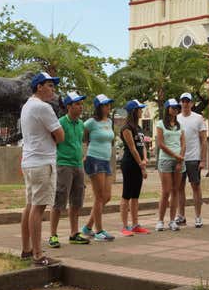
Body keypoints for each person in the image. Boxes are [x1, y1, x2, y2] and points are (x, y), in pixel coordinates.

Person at [20, 72, 65, 266]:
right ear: (39, 86)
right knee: (38, 208)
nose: (52, 90)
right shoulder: (43, 107)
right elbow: (60, 135)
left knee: (30, 205)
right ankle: (38, 254)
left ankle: (27, 249)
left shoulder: (27, 106)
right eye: (50, 86)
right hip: (42, 162)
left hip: (30, 162)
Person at [48, 91, 90, 249]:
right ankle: (53, 235)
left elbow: (79, 142)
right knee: (59, 200)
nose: (81, 107)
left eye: (81, 104)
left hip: (78, 165)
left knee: (76, 201)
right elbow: (54, 143)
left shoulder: (81, 124)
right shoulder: (60, 123)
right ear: (69, 106)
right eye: (77, 104)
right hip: (63, 165)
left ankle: (74, 233)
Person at [82, 93, 116, 241]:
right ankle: (99, 231)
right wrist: (83, 152)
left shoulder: (109, 121)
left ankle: (88, 227)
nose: (109, 107)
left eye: (109, 104)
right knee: (99, 196)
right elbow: (80, 134)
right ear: (99, 107)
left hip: (106, 160)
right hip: (94, 159)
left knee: (107, 196)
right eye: (106, 105)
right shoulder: (90, 122)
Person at [175, 92, 207, 228]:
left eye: (187, 101)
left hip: (194, 158)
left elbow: (203, 140)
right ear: (180, 103)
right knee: (179, 188)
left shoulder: (198, 118)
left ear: (192, 103)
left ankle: (198, 216)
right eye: (183, 101)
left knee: (195, 186)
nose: (185, 104)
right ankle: (181, 216)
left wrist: (203, 159)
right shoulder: (176, 118)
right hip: (180, 158)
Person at [119, 99, 150, 236]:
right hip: (129, 163)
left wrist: (145, 159)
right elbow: (132, 148)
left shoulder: (139, 128)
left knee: (136, 195)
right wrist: (140, 163)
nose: (141, 111)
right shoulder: (126, 128)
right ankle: (125, 226)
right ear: (134, 111)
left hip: (139, 164)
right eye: (139, 109)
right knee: (127, 194)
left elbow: (142, 145)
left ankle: (135, 224)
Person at [156, 98, 185, 231]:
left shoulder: (180, 125)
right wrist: (175, 156)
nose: (175, 110)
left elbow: (183, 142)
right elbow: (161, 144)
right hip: (166, 159)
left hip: (178, 159)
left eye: (176, 108)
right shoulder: (160, 124)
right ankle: (160, 220)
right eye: (173, 108)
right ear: (167, 109)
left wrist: (180, 158)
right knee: (166, 191)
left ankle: (172, 220)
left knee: (175, 190)